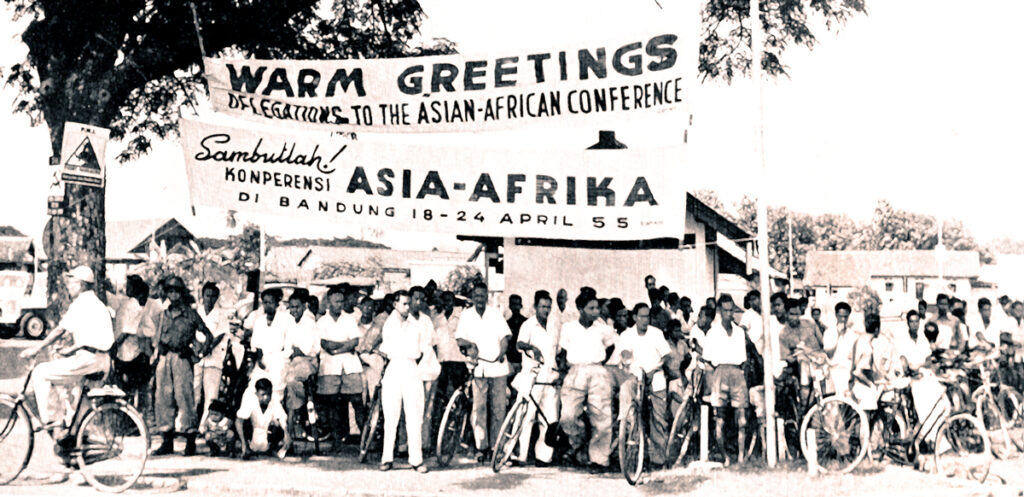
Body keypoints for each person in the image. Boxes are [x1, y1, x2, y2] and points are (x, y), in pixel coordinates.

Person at [20, 266, 114, 456]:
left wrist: (36, 349)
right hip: (101, 359)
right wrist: (70, 350)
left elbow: (60, 330)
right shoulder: (96, 303)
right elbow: (94, 337)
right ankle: (77, 450)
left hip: (89, 360)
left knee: (41, 372)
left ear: (80, 285)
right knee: (75, 401)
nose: (68, 287)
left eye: (71, 283)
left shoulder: (81, 303)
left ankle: (54, 423)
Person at [152, 276, 214, 456]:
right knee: (163, 399)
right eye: (170, 291)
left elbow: (207, 335)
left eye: (176, 291)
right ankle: (167, 440)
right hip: (165, 357)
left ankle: (190, 440)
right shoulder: (163, 314)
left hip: (181, 358)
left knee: (185, 398)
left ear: (182, 293)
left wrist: (199, 352)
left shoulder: (190, 314)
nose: (173, 295)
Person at [558, 291, 617, 472]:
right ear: (580, 309)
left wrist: (599, 363)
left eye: (597, 308)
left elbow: (611, 346)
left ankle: (599, 459)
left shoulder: (603, 329)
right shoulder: (569, 328)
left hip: (597, 371)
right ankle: (579, 443)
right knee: (567, 416)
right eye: (591, 308)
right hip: (575, 371)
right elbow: (563, 352)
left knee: (601, 417)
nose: (595, 311)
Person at [607, 303, 672, 468]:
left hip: (655, 377)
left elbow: (666, 356)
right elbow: (625, 353)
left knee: (658, 419)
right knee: (626, 391)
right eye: (642, 316)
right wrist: (628, 360)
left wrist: (656, 368)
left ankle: (658, 460)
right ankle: (626, 423)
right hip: (635, 376)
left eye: (647, 316)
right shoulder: (627, 335)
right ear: (635, 317)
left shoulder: (656, 334)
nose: (645, 320)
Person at [455, 282, 512, 463]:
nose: (480, 299)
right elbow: (459, 339)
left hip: (498, 368)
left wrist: (502, 352)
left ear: (487, 296)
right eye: (477, 295)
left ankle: (497, 447)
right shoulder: (466, 315)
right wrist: (470, 345)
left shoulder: (495, 314)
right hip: (478, 368)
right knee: (478, 409)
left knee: (498, 409)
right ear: (472, 297)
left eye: (483, 295)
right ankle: (481, 447)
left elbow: (505, 336)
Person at [379, 291, 432, 473]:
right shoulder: (389, 324)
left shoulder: (416, 325)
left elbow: (423, 348)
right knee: (391, 417)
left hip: (411, 369)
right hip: (394, 369)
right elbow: (389, 348)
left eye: (409, 304)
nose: (408, 307)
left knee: (414, 417)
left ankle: (416, 460)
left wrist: (417, 362)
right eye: (404, 304)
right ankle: (387, 458)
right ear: (395, 304)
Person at [511, 290, 560, 467]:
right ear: (535, 307)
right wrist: (532, 348)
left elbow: (558, 350)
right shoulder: (528, 325)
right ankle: (520, 455)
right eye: (542, 306)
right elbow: (519, 344)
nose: (545, 310)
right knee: (526, 417)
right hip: (532, 376)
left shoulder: (554, 325)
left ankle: (543, 457)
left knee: (549, 418)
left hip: (550, 377)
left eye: (548, 307)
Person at [701, 294, 748, 465]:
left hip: (737, 373)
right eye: (726, 310)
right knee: (719, 419)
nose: (730, 314)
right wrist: (711, 383)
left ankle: (741, 456)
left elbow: (743, 360)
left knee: (741, 419)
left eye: (732, 310)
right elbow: (707, 361)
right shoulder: (712, 333)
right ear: (720, 311)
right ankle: (725, 457)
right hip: (719, 373)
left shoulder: (740, 332)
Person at [317, 285, 364, 448]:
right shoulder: (322, 321)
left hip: (350, 365)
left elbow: (354, 342)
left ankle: (365, 440)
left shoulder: (349, 319)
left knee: (357, 400)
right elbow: (324, 343)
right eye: (336, 301)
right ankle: (337, 440)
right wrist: (344, 344)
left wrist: (338, 348)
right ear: (329, 302)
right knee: (332, 404)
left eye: (341, 301)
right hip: (329, 367)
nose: (340, 304)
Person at [281, 290, 319, 454]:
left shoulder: (310, 322)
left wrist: (296, 351)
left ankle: (299, 410)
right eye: (291, 308)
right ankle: (290, 423)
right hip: (293, 361)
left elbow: (307, 349)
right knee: (280, 381)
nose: (294, 310)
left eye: (297, 307)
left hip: (308, 362)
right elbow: (288, 348)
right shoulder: (290, 323)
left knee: (291, 380)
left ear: (304, 307)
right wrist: (293, 351)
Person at [111, 275, 153, 419]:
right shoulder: (126, 303)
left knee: (130, 389)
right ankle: (131, 419)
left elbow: (127, 331)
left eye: (129, 286)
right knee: (130, 390)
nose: (126, 288)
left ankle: (132, 419)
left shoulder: (134, 306)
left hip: (129, 354)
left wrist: (113, 346)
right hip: (126, 352)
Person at [195, 281, 230, 426]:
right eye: (207, 296)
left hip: (214, 358)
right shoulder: (196, 311)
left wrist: (207, 347)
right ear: (202, 296)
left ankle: (205, 426)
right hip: (197, 357)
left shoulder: (221, 314)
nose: (209, 299)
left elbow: (220, 335)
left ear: (217, 298)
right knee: (194, 392)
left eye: (212, 296)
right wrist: (198, 348)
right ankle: (190, 425)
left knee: (211, 395)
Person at [248, 288, 288, 399]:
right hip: (263, 360)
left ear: (276, 303)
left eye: (270, 302)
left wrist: (281, 359)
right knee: (253, 389)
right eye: (265, 302)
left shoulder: (286, 319)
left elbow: (288, 345)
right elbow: (256, 344)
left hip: (279, 360)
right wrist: (260, 360)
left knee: (275, 392)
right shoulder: (259, 321)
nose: (267, 305)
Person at [236, 378, 289, 459]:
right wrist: (243, 443)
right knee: (244, 421)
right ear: (256, 393)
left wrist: (286, 434)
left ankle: (272, 450)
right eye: (263, 394)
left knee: (279, 424)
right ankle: (247, 449)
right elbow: (238, 421)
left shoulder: (274, 400)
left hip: (267, 437)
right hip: (252, 438)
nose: (266, 397)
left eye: (269, 394)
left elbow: (282, 418)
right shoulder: (250, 400)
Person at [822, 302, 858, 397]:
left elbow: (854, 357)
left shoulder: (853, 335)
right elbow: (828, 354)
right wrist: (838, 336)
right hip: (834, 371)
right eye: (840, 316)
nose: (843, 319)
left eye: (845, 317)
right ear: (836, 315)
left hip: (848, 371)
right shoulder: (829, 333)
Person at [506, 294, 527, 366]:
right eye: (513, 304)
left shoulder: (526, 323)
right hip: (510, 361)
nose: (515, 307)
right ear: (510, 306)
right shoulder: (506, 324)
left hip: (524, 361)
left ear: (521, 306)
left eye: (517, 304)